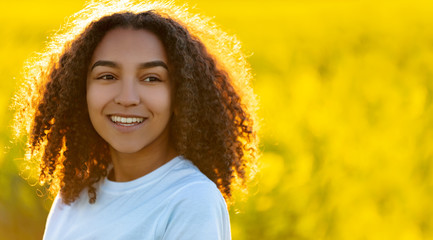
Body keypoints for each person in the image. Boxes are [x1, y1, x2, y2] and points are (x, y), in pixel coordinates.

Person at [12, 0, 259, 239]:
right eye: (108, 76)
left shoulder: (191, 200)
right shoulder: (74, 195)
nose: (127, 98)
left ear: (181, 94)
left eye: (151, 78)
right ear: (81, 91)